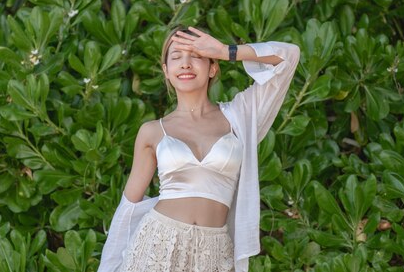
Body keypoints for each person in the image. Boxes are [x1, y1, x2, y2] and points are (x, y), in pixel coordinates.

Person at [98, 26, 300, 272]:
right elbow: (128, 208)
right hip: (158, 244)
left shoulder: (240, 117)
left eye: (196, 55)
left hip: (214, 253)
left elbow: (289, 57)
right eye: (176, 57)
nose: (185, 64)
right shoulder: (152, 131)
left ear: (213, 67)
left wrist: (227, 51)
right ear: (166, 72)